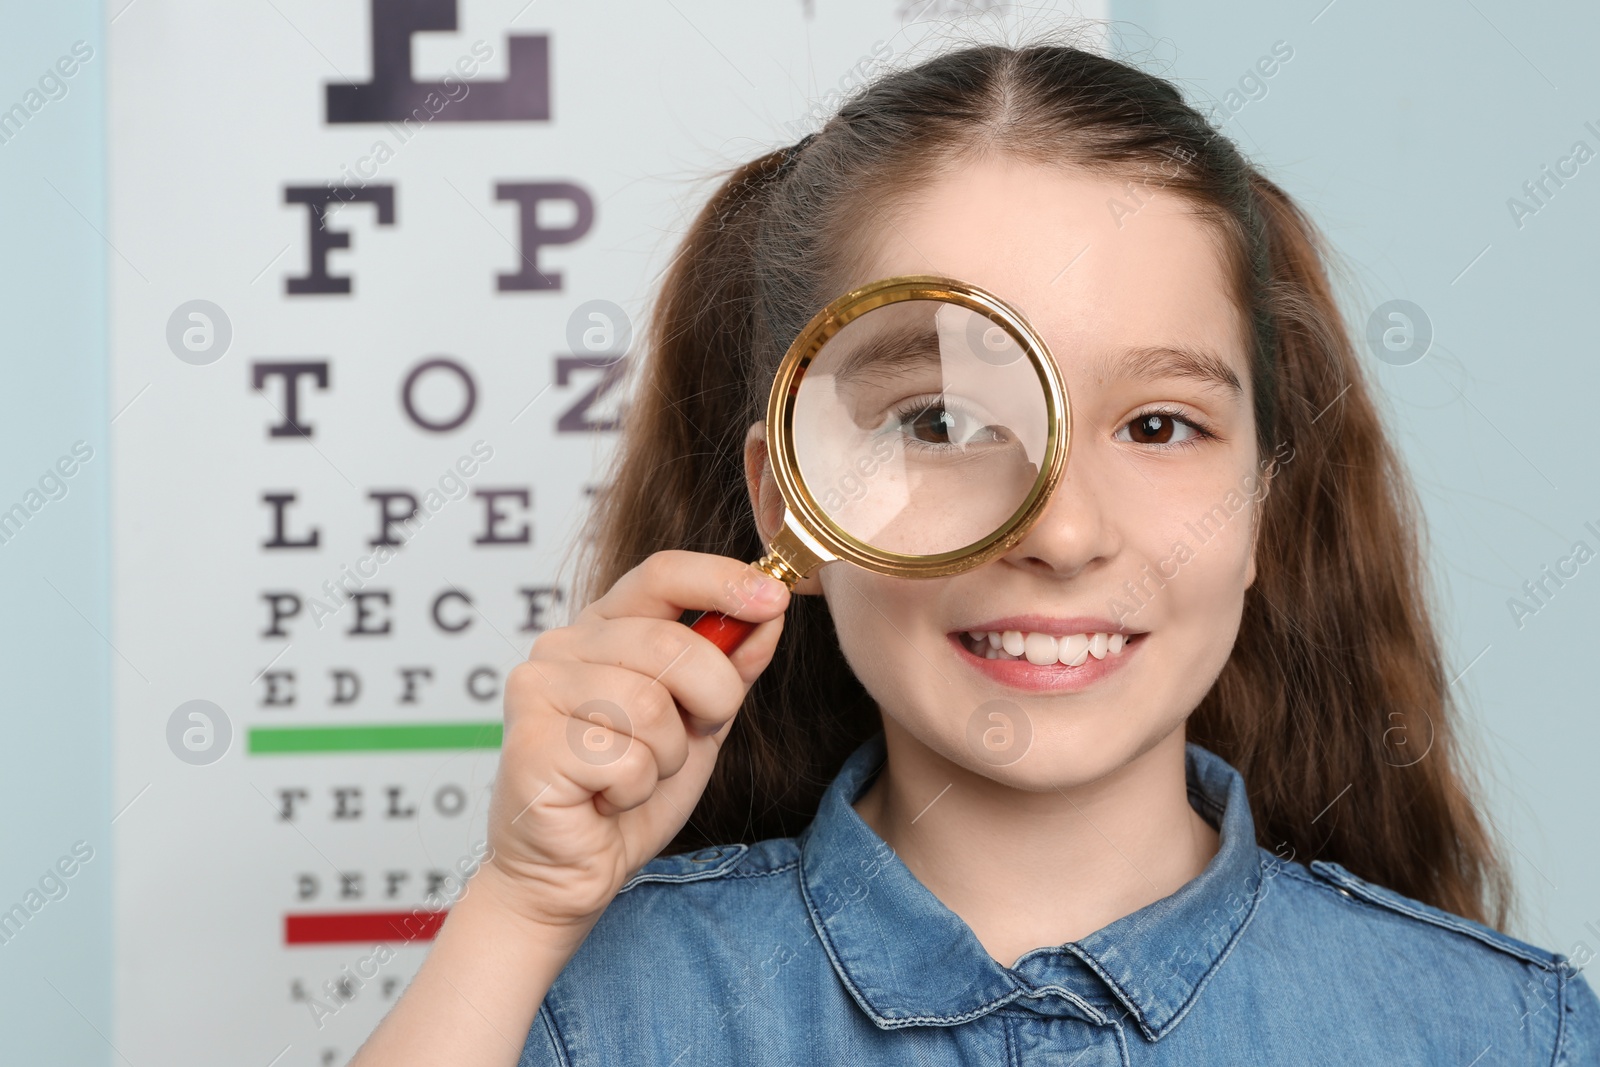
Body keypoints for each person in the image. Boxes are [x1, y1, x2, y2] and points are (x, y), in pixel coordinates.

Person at [351, 42, 1598, 1066]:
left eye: (1159, 424)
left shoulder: (1500, 1035)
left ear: (1263, 503)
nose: (1060, 531)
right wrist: (516, 912)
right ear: (792, 502)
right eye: (940, 422)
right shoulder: (589, 1015)